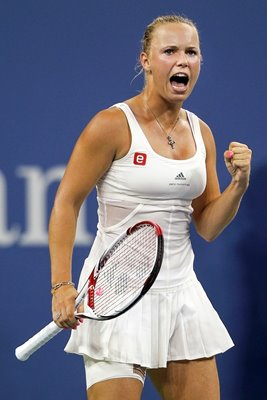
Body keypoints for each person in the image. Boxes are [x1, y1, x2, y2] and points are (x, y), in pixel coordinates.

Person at [49, 15, 252, 400]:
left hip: (181, 298)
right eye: (170, 51)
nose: (183, 61)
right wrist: (61, 285)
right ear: (145, 60)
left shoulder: (201, 133)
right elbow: (66, 202)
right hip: (115, 298)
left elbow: (207, 225)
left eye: (191, 52)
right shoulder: (111, 125)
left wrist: (238, 186)